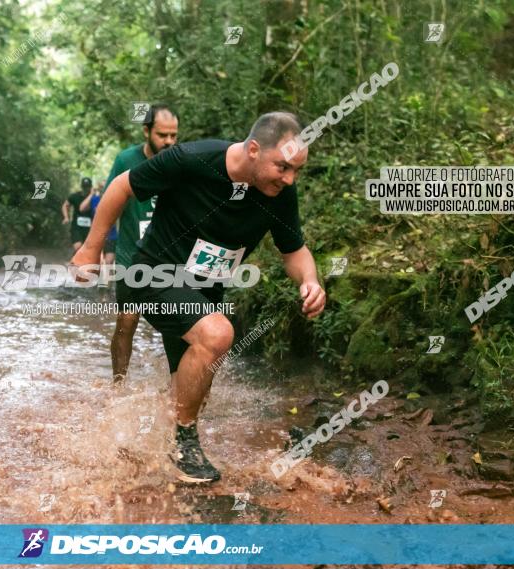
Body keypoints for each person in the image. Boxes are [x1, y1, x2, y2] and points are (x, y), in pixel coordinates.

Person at [70, 112, 326, 483]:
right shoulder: (192, 160)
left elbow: (294, 250)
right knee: (218, 334)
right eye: (282, 167)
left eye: (296, 170)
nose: (289, 179)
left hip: (204, 290)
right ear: (253, 150)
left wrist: (311, 280)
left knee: (192, 389)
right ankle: (183, 445)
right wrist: (91, 249)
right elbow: (121, 187)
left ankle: (140, 441)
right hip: (154, 274)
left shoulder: (280, 192)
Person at [103, 104, 179, 385]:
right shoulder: (126, 160)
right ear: (146, 131)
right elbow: (109, 204)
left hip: (169, 257)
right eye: (162, 135)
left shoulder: (180, 160)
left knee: (177, 325)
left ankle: (177, 388)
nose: (169, 142)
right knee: (127, 321)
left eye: (173, 135)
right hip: (130, 256)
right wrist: (104, 248)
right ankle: (118, 385)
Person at [62, 177, 94, 252]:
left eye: (88, 187)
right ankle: (75, 261)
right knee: (78, 246)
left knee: (87, 250)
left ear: (90, 187)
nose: (86, 189)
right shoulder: (75, 196)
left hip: (90, 228)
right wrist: (66, 217)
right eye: (84, 187)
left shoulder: (94, 197)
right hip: (77, 227)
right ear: (81, 187)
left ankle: (77, 262)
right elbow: (65, 205)